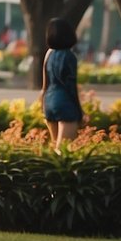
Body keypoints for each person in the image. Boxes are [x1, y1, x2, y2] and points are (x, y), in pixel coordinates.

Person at [40, 18, 82, 152]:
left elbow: (44, 85)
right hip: (64, 103)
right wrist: (79, 111)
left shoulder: (49, 54)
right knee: (64, 151)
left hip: (49, 102)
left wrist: (43, 106)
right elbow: (71, 86)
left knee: (55, 148)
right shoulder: (69, 56)